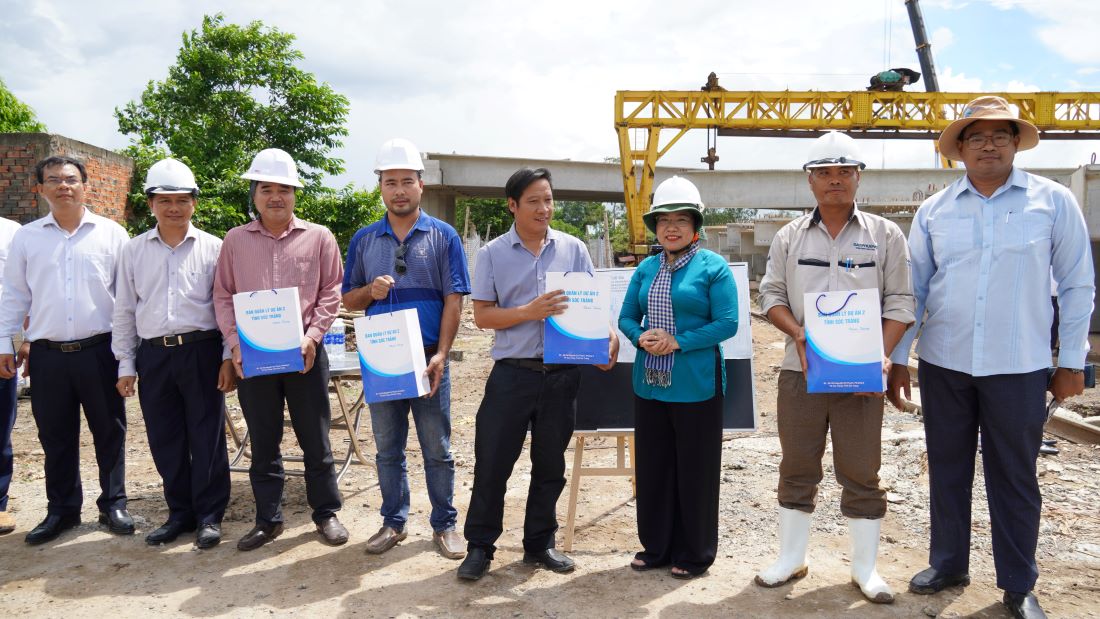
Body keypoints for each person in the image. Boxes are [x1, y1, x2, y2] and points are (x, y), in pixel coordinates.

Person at [887, 95, 1094, 619]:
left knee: (1015, 475)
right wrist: (895, 358)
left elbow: (1076, 283)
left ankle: (1019, 584)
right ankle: (949, 562)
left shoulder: (1052, 202)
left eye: (1000, 134)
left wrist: (1071, 361)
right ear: (958, 150)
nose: (988, 144)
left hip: (1019, 365)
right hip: (945, 362)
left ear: (1015, 144)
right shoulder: (934, 211)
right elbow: (913, 290)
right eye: (975, 136)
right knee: (948, 468)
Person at [755, 132, 915, 603]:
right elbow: (771, 296)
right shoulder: (789, 236)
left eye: (844, 171)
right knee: (798, 464)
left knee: (862, 469)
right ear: (811, 181)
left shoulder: (885, 235)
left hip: (862, 376)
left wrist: (879, 357)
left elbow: (901, 303)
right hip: (800, 371)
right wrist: (799, 334)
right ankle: (791, 559)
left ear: (858, 177)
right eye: (825, 172)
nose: (835, 181)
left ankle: (865, 569)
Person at [457, 167, 618, 581]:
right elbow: (483, 316)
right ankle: (479, 547)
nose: (544, 208)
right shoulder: (492, 253)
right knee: (493, 462)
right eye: (534, 201)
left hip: (562, 375)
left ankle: (539, 543)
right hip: (512, 374)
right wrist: (529, 312)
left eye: (548, 199)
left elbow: (591, 305)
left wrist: (609, 338)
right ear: (512, 205)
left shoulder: (574, 248)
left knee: (550, 465)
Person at [213, 148, 348, 551]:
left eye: (284, 189)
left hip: (306, 354)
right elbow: (223, 295)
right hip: (254, 357)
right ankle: (267, 519)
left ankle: (325, 513)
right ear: (254, 195)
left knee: (316, 440)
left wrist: (313, 335)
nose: (275, 196)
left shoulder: (319, 237)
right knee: (264, 441)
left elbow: (332, 291)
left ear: (295, 194)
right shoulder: (235, 241)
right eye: (266, 189)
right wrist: (236, 345)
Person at [342, 139, 471, 559]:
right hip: (382, 356)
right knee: (387, 446)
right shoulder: (363, 240)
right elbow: (348, 301)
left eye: (407, 182)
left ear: (421, 184)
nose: (399, 190)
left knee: (437, 446)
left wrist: (443, 354)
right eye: (390, 182)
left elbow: (455, 299)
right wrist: (370, 290)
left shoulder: (444, 236)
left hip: (430, 355)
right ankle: (393, 522)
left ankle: (445, 525)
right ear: (380, 187)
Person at [0, 156, 132, 544]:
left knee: (109, 431)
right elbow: (13, 297)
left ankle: (114, 504)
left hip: (99, 351)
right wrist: (7, 344)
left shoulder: (112, 235)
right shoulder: (27, 238)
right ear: (40, 189)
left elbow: (126, 300)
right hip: (46, 355)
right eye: (53, 180)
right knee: (54, 436)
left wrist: (126, 356)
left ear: (85, 186)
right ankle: (62, 510)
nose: (63, 186)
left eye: (71, 179)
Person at [618, 176, 739, 579]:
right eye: (663, 219)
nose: (671, 227)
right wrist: (642, 337)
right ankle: (656, 547)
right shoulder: (646, 268)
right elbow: (626, 317)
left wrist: (678, 342)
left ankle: (694, 553)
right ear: (655, 227)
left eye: (681, 219)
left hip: (697, 384)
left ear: (696, 226)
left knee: (696, 470)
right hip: (650, 383)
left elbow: (727, 323)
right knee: (653, 468)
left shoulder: (713, 267)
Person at [112, 159, 236, 548]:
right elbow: (124, 310)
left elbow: (224, 307)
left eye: (182, 200)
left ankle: (210, 515)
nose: (173, 208)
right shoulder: (133, 251)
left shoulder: (215, 248)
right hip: (154, 356)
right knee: (165, 437)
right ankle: (179, 512)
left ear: (194, 204)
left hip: (200, 352)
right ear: (150, 203)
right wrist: (126, 363)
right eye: (164, 200)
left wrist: (226, 357)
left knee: (207, 436)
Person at [0, 214, 22, 535]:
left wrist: (10, 344)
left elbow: (18, 293)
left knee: (0, 428)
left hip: (0, 347)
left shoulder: (11, 232)